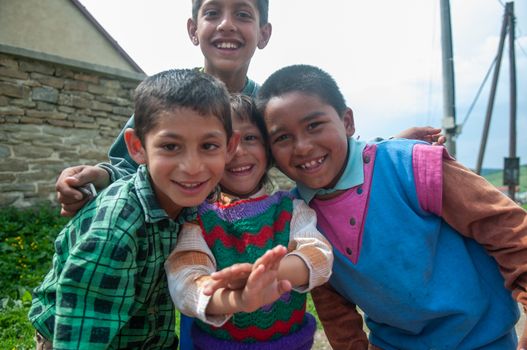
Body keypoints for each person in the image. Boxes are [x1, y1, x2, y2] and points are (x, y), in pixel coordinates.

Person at [55, 0, 443, 218]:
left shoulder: (265, 107)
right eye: (212, 13)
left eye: (243, 14)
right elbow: (130, 162)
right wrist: (97, 178)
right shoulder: (170, 99)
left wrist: (390, 146)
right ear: (193, 29)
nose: (227, 25)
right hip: (172, 239)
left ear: (263, 33)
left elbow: (312, 154)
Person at [255, 64, 527, 349]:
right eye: (282, 137)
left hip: (482, 340)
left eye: (314, 125)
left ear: (347, 121)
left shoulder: (414, 166)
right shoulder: (299, 218)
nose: (302, 147)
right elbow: (334, 310)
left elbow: (509, 232)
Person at [28, 69, 240, 349]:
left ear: (229, 147)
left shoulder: (193, 197)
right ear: (137, 148)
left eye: (209, 146)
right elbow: (81, 331)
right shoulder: (116, 227)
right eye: (170, 146)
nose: (192, 167)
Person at [164, 93, 333, 349]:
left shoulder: (291, 208)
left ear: (268, 148)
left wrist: (269, 273)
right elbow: (185, 279)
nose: (239, 151)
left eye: (250, 138)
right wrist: (237, 299)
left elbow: (319, 255)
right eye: (223, 143)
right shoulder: (198, 218)